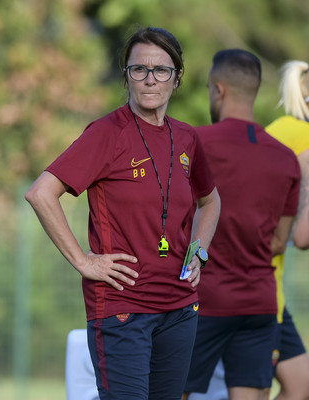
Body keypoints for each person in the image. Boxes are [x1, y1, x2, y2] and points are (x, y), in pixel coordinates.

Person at [25, 26, 221, 400]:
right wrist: (84, 261)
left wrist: (199, 249)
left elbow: (210, 200)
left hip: (180, 308)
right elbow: (41, 194)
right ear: (126, 76)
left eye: (161, 70)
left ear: (177, 78)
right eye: (138, 69)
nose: (150, 79)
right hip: (122, 308)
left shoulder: (187, 138)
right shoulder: (106, 133)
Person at [182, 49, 301, 400]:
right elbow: (280, 242)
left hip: (201, 299)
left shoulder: (193, 142)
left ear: (218, 90)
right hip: (258, 305)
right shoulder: (284, 158)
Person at [264, 60, 309, 400]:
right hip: (261, 287)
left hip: (258, 277)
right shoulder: (304, 138)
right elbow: (303, 236)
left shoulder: (279, 127)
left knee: (299, 383)